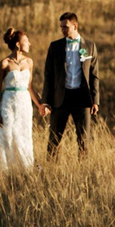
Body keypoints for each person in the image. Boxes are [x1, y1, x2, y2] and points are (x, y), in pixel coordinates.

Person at [0, 27, 42, 175]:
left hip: (25, 104)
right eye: (26, 41)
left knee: (24, 134)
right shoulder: (4, 64)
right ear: (18, 44)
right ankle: (3, 168)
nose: (29, 44)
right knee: (8, 134)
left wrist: (40, 105)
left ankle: (25, 168)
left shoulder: (29, 62)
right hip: (9, 103)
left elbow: (30, 87)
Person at [42, 11, 100, 155]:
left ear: (75, 26)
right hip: (61, 97)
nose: (62, 30)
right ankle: (51, 169)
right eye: (61, 27)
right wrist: (46, 101)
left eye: (65, 27)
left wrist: (95, 100)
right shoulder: (55, 47)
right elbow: (48, 75)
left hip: (82, 97)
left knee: (84, 139)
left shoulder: (90, 46)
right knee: (54, 138)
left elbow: (94, 75)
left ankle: (83, 170)